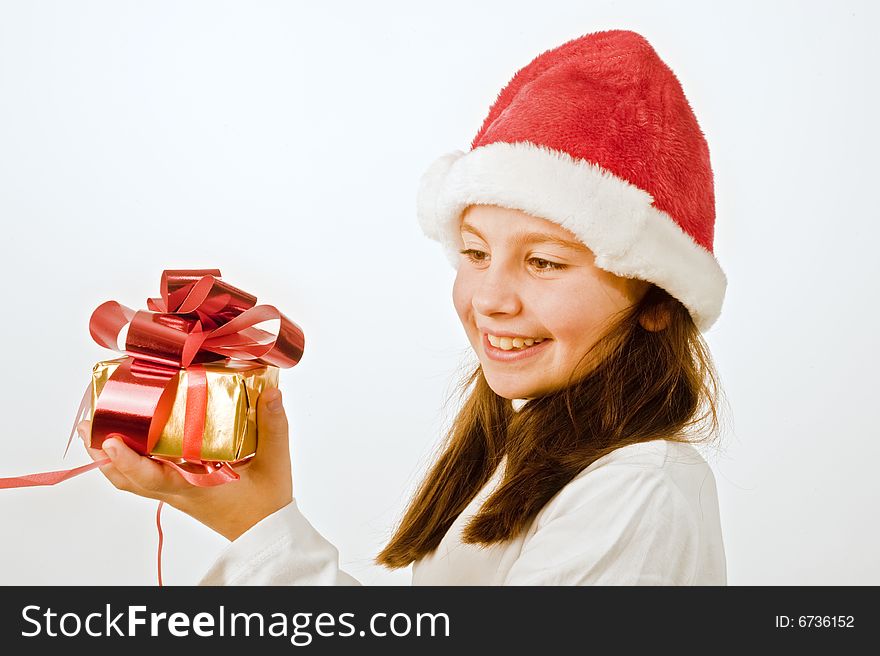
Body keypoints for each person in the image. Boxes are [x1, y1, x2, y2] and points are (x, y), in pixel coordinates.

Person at [78, 28, 729, 585]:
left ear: (655, 301)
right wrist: (259, 519)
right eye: (475, 254)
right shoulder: (530, 458)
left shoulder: (638, 492)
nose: (491, 300)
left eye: (544, 263)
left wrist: (255, 529)